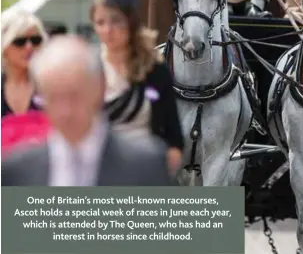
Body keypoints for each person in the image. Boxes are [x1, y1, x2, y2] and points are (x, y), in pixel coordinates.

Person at [2, 35, 176, 186]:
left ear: (99, 89)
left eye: (74, 96)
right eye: (54, 98)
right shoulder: (16, 171)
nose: (65, 111)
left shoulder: (147, 165)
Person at [90, 0, 183, 174]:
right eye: (100, 22)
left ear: (130, 22)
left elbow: (174, 138)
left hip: (144, 172)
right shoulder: (87, 69)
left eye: (116, 21)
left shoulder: (155, 70)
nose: (108, 30)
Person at [1, 10, 48, 118]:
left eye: (36, 40)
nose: (29, 47)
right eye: (20, 41)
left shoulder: (50, 86)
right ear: (4, 46)